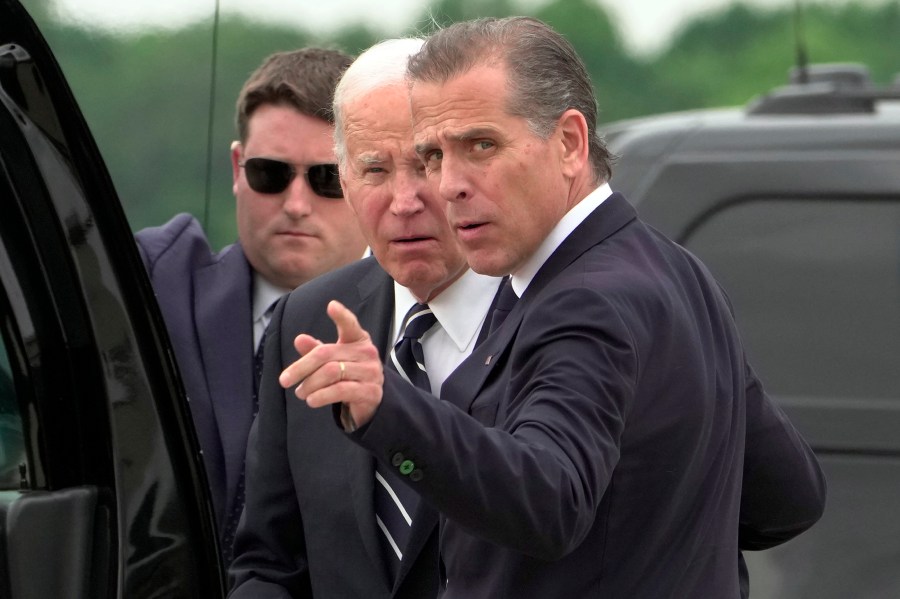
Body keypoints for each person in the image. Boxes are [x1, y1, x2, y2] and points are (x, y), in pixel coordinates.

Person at [280, 17, 827, 598]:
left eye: (480, 146)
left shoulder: (584, 301)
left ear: (569, 142)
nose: (446, 185)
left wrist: (386, 408)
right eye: (435, 154)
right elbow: (787, 497)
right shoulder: (675, 268)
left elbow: (550, 503)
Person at [227, 39, 503, 598]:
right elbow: (270, 562)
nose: (404, 200)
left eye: (427, 162)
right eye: (374, 169)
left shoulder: (558, 312)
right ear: (348, 180)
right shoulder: (306, 320)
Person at [135, 47, 367, 566]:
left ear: (367, 175)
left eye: (326, 178)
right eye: (271, 173)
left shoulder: (414, 332)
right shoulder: (154, 284)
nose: (297, 203)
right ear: (238, 167)